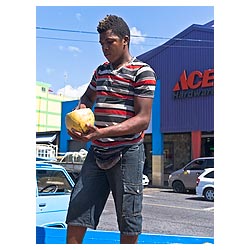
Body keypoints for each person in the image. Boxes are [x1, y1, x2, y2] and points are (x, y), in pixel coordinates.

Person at [66, 14, 156, 244]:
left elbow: (143, 120)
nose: (105, 48)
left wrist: (101, 132)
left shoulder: (142, 71)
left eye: (110, 42)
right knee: (77, 213)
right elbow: (87, 96)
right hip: (97, 153)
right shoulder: (101, 71)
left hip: (128, 153)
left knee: (129, 219)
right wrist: (79, 115)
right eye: (102, 44)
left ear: (125, 40)